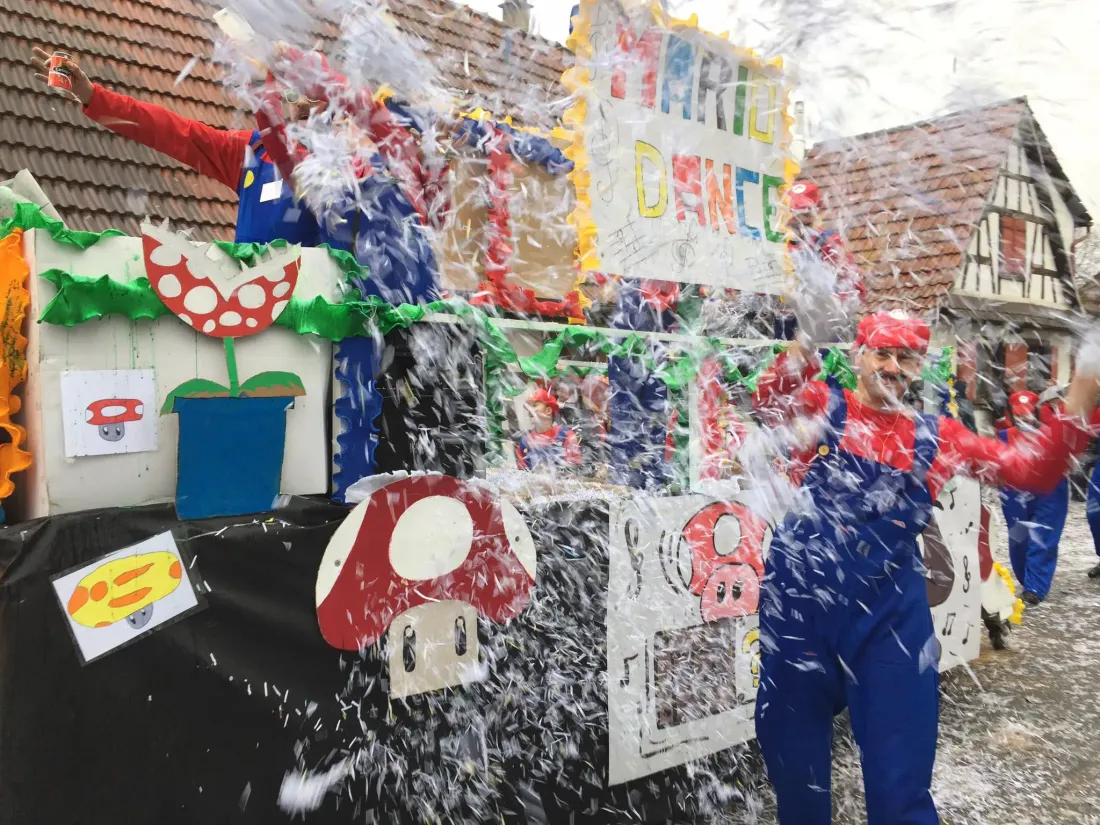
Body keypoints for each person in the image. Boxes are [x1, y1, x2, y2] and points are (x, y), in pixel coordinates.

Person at [751, 311, 1097, 825]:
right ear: (859, 356)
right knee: (796, 772)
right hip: (800, 611)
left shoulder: (941, 438)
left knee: (901, 784)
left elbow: (1035, 470)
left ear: (919, 366)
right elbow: (767, 400)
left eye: (906, 357)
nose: (893, 367)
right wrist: (807, 338)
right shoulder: (822, 407)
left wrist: (1086, 382)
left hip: (888, 619)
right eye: (882, 353)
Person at [30, 46, 323, 246]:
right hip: (249, 305)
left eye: (315, 94)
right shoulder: (252, 151)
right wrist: (92, 95)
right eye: (295, 93)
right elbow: (167, 129)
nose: (302, 104)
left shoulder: (342, 170)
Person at [997, 390, 1070, 604]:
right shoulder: (1005, 436)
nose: (1024, 419)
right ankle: (1027, 579)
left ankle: (1035, 587)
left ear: (1036, 412)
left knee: (1042, 537)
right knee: (1018, 539)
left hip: (1049, 492)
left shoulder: (1052, 434)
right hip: (1015, 492)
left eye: (1028, 414)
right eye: (1019, 415)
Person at [514, 389, 582, 471]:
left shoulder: (566, 435)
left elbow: (575, 470)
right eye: (529, 407)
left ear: (548, 411)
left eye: (534, 406)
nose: (529, 410)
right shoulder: (524, 442)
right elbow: (521, 473)